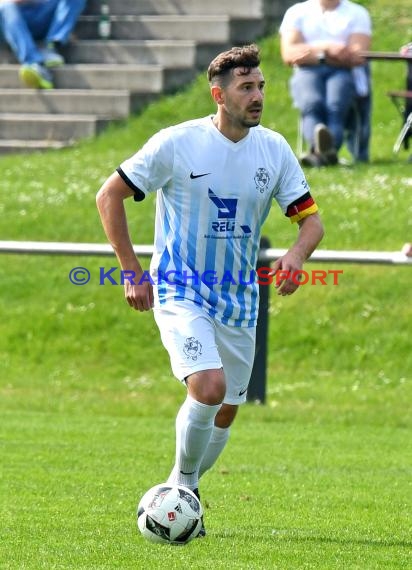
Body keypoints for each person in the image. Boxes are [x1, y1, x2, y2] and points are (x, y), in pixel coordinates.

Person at [96, 44, 324, 536]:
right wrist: (133, 270)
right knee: (208, 386)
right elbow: (109, 195)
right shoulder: (177, 143)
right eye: (247, 88)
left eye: (261, 85)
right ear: (219, 95)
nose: (258, 95)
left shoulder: (275, 149)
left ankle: (188, 489)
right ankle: (180, 487)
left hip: (239, 298)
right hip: (181, 289)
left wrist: (295, 256)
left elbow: (311, 221)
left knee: (226, 408)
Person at [279, 0, 372, 167]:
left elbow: (357, 56)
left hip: (343, 72)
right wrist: (327, 48)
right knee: (311, 103)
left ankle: (317, 154)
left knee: (335, 105)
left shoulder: (357, 13)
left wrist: (309, 53)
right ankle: (326, 153)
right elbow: (289, 54)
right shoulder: (296, 12)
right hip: (307, 72)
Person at [0, 0, 86, 89]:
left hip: (42, 14)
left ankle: (52, 45)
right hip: (12, 20)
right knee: (5, 6)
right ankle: (34, 63)